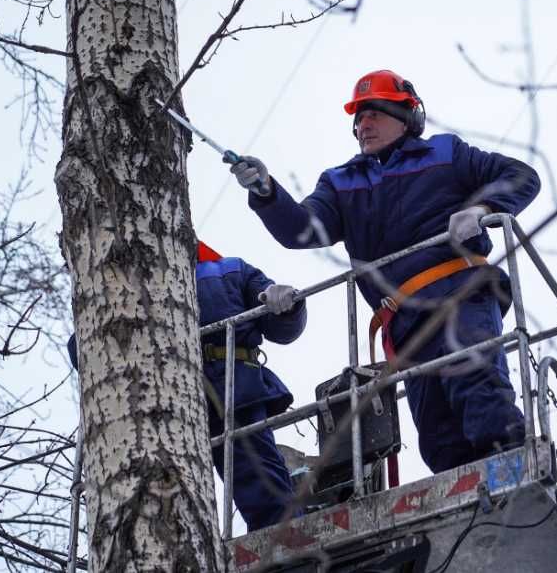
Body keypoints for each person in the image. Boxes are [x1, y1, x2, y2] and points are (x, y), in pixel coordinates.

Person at [228, 69, 541, 474]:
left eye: (373, 112)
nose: (363, 124)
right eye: (358, 118)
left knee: (480, 393)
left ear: (406, 116)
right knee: (437, 434)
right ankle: (469, 511)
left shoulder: (446, 154)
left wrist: (482, 209)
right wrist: (267, 192)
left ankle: (512, 477)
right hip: (405, 322)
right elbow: (301, 228)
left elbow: (521, 177)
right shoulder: (342, 183)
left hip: (460, 295)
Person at [67, 240, 306, 531]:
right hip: (163, 415)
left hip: (235, 395)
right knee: (167, 506)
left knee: (262, 486)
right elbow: (85, 354)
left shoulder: (229, 271)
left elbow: (282, 329)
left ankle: (288, 546)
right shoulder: (117, 291)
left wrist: (288, 305)